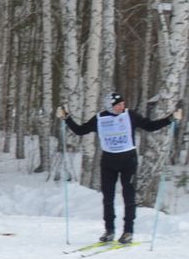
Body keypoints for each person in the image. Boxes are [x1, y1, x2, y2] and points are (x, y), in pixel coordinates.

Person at [58, 94, 182, 243]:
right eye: (118, 105)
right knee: (108, 198)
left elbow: (150, 126)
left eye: (123, 104)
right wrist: (67, 118)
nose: (121, 107)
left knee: (129, 197)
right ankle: (109, 230)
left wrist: (170, 119)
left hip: (128, 161)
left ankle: (128, 231)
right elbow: (80, 130)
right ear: (110, 106)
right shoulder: (100, 118)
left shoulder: (130, 115)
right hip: (108, 162)